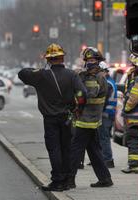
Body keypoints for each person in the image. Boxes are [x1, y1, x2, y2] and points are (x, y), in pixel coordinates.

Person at [18, 43, 86, 191]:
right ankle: (68, 180)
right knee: (67, 148)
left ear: (48, 59)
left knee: (54, 150)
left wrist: (38, 70)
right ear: (62, 58)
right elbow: (82, 93)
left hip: (50, 119)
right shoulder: (72, 75)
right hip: (67, 117)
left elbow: (22, 73)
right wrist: (78, 108)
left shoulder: (42, 75)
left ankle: (57, 181)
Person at [67, 47, 113, 189]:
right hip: (90, 120)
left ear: (98, 62)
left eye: (93, 60)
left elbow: (87, 95)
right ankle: (105, 179)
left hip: (87, 121)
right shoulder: (88, 75)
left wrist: (79, 82)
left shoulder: (96, 77)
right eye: (88, 60)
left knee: (75, 150)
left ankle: (69, 180)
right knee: (94, 151)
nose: (90, 63)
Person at [121, 54, 138, 174]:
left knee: (133, 141)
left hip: (135, 117)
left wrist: (126, 109)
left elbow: (134, 97)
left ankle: (133, 166)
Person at [98, 61, 117, 168]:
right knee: (102, 137)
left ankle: (108, 160)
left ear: (104, 72)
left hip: (105, 115)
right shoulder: (109, 81)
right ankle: (103, 159)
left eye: (100, 72)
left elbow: (103, 101)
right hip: (108, 115)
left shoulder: (107, 84)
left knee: (104, 138)